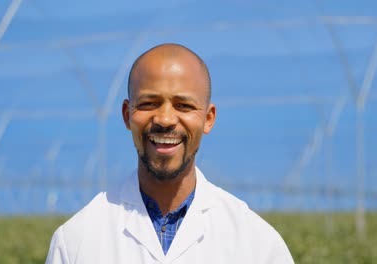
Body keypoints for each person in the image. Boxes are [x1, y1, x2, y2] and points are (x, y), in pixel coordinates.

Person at [45, 43, 294, 264]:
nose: (165, 119)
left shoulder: (257, 245)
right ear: (127, 115)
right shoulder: (77, 241)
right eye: (148, 103)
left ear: (208, 119)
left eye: (183, 105)